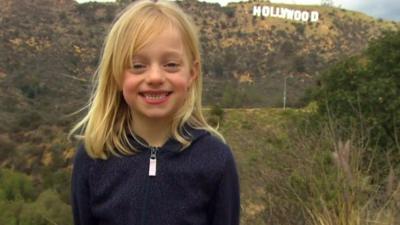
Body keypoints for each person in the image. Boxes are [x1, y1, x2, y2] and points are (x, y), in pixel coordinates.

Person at [69, 0, 240, 224]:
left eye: (170, 64)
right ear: (117, 75)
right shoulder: (93, 157)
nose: (155, 77)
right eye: (138, 65)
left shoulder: (216, 160)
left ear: (192, 73)